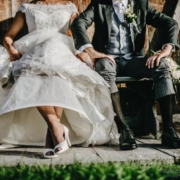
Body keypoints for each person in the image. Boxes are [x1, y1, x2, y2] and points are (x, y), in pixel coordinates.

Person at [0, 0, 119, 158]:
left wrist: (82, 52)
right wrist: (11, 49)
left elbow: (75, 35)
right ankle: (56, 126)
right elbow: (9, 36)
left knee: (58, 69)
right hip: (34, 47)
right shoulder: (27, 7)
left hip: (61, 48)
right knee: (31, 70)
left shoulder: (70, 7)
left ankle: (53, 133)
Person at [71, 0, 180, 149]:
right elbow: (78, 23)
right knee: (104, 67)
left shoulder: (141, 4)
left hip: (133, 61)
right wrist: (92, 52)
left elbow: (171, 23)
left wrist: (167, 48)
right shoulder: (99, 3)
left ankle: (168, 130)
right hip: (108, 59)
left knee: (161, 65)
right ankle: (124, 130)